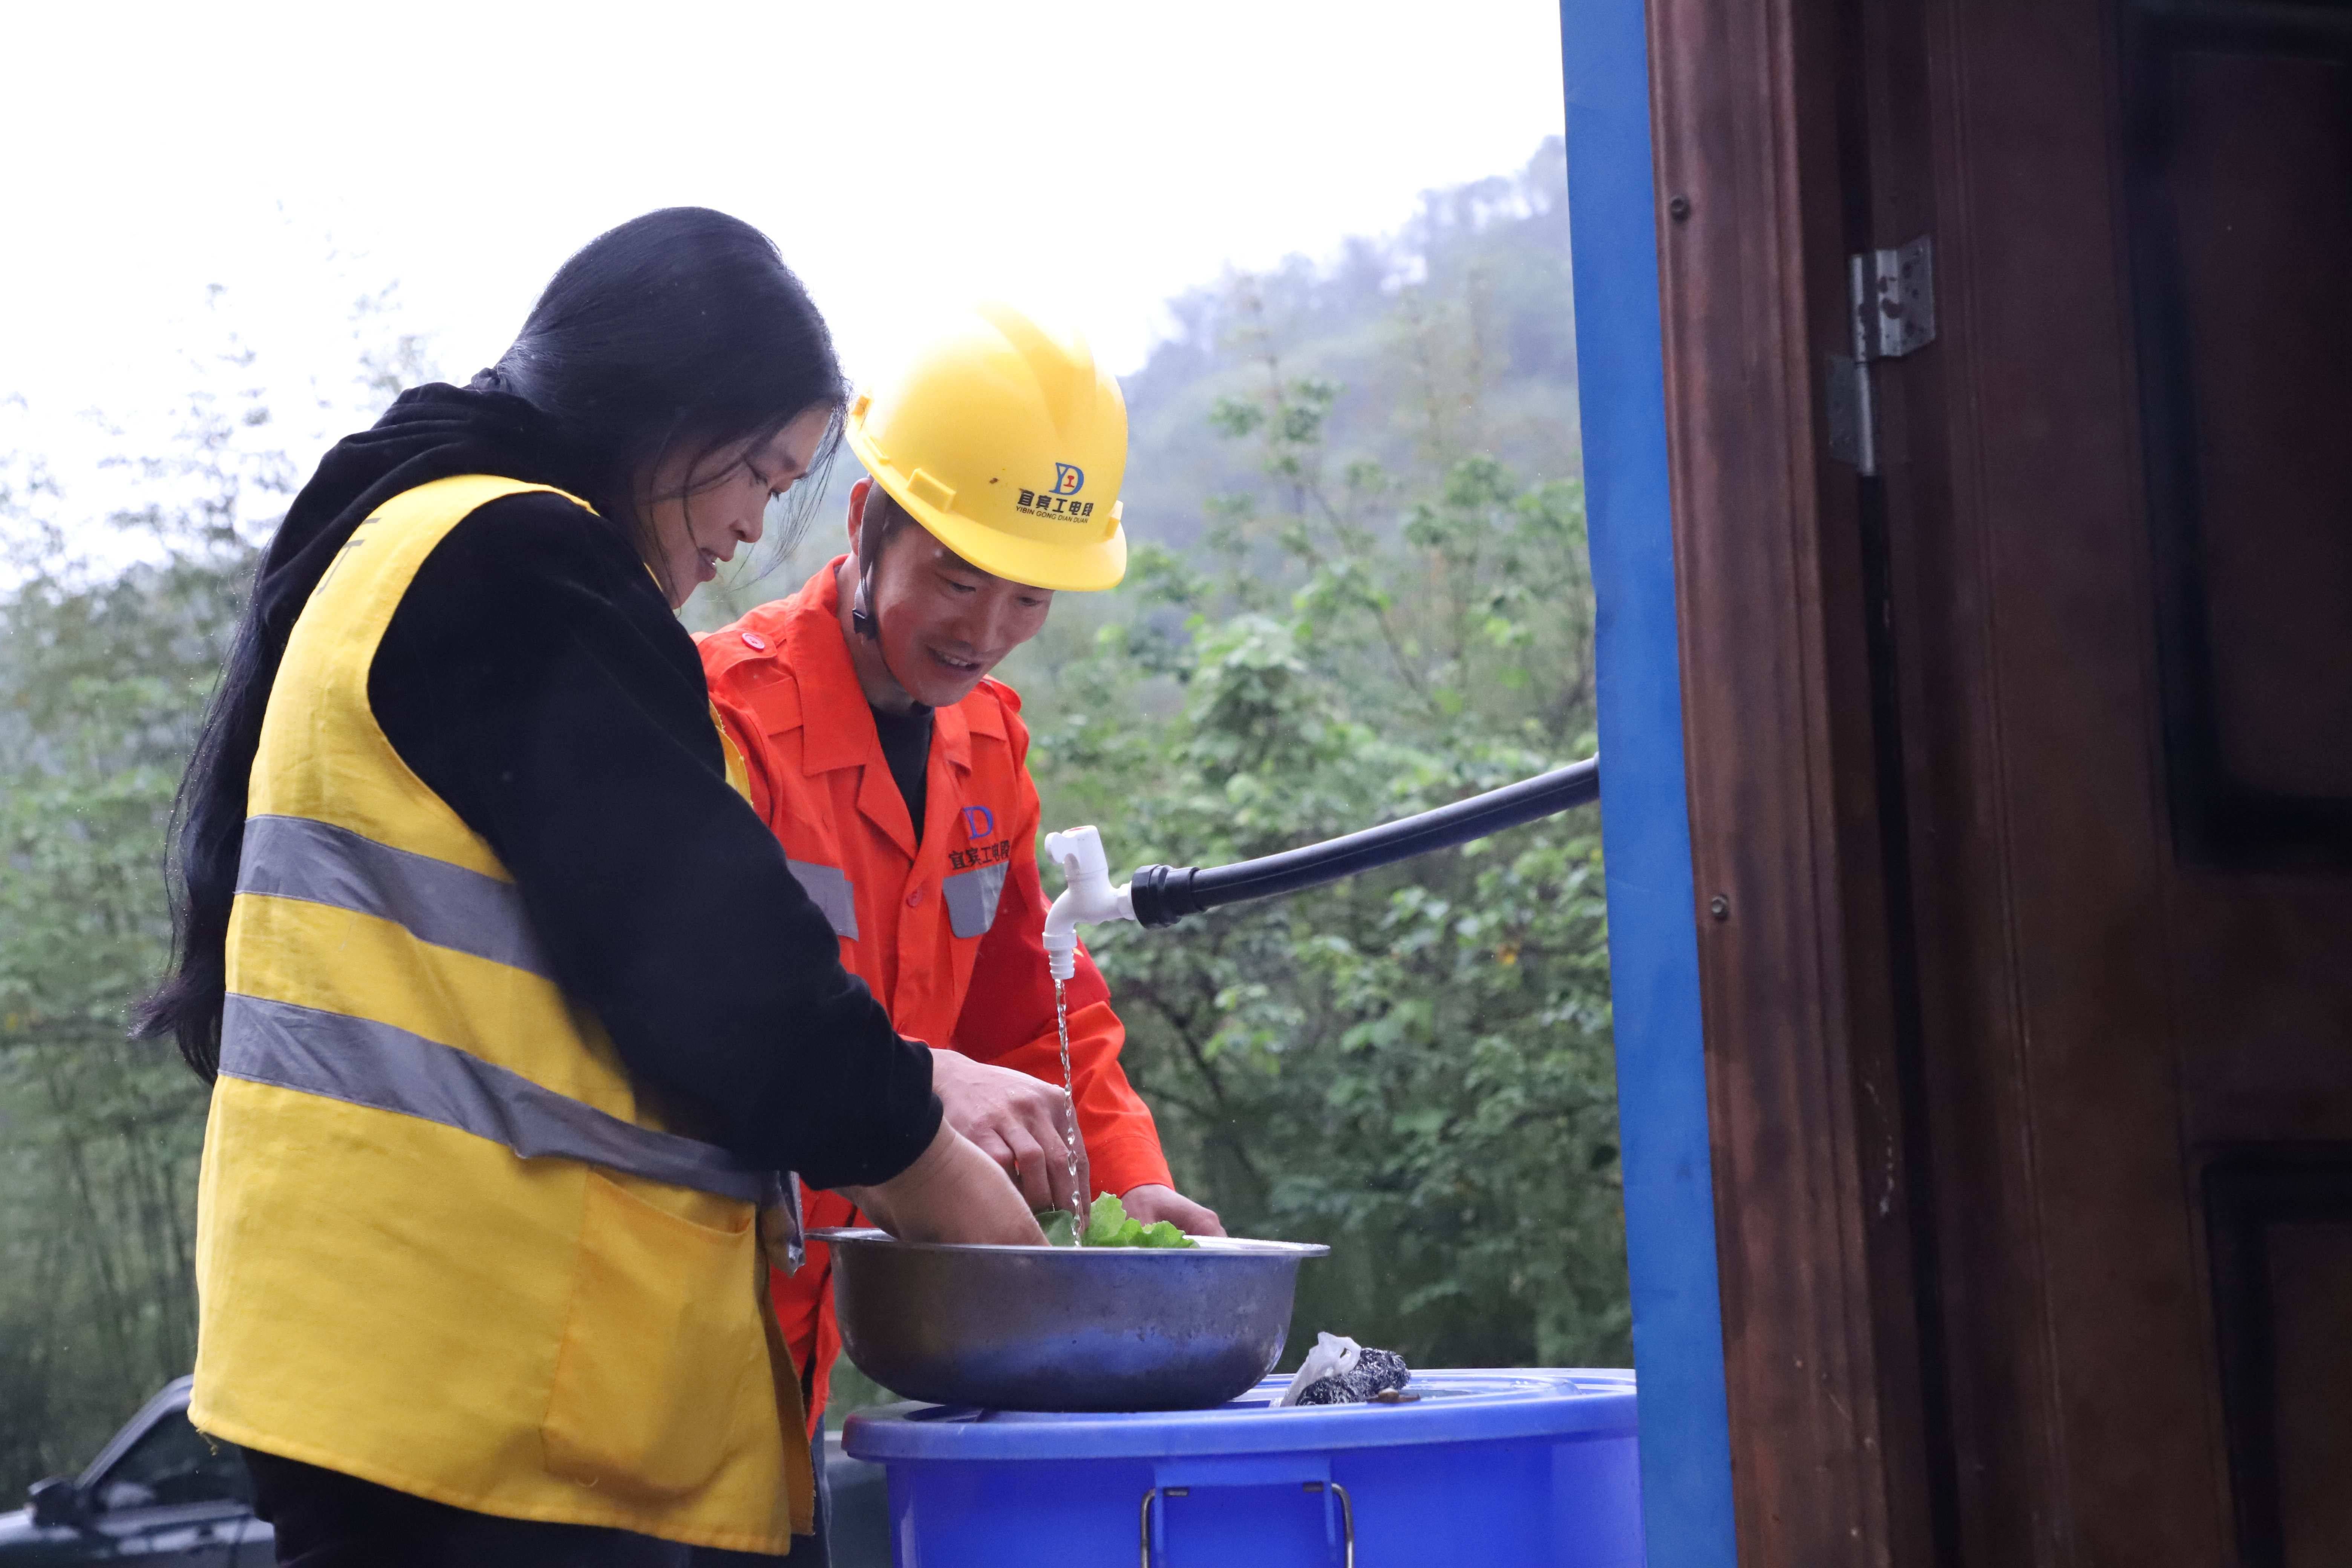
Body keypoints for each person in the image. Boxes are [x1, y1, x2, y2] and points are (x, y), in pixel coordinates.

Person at [135, 210, 1040, 1568]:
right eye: (755, 471)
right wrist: (920, 1156)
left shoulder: (412, 542)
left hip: (421, 1376)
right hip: (472, 1394)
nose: (750, 526)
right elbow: (712, 954)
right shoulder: (514, 565)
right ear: (665, 414)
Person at [701, 305, 1223, 1428]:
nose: (985, 631)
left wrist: (1128, 1185)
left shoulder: (988, 746)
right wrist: (925, 1075)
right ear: (866, 525)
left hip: (813, 1337)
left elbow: (1037, 1016)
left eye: (1028, 597)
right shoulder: (723, 724)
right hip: (683, 1303)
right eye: (956, 580)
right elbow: (702, 1019)